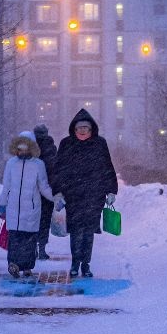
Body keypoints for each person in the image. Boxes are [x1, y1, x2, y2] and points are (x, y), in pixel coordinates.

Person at [52, 109, 118, 278]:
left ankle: (85, 264)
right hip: (73, 195)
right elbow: (58, 169)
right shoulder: (67, 144)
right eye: (79, 127)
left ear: (91, 129)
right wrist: (58, 191)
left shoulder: (99, 143)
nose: (82, 130)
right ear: (74, 129)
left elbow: (107, 168)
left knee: (88, 232)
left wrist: (111, 190)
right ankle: (75, 263)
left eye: (85, 127)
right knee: (75, 231)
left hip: (94, 196)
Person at [0, 131, 64, 278]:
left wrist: (56, 197)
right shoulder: (11, 164)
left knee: (29, 240)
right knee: (14, 239)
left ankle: (27, 267)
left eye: (25, 148)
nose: (22, 151)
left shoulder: (38, 165)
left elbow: (43, 186)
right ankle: (13, 264)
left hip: (32, 209)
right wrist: (2, 203)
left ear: (32, 148)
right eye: (20, 148)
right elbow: (6, 186)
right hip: (13, 209)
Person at [33, 124, 58, 260]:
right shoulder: (51, 147)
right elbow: (55, 169)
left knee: (32, 221)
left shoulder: (30, 148)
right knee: (44, 220)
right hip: (48, 190)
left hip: (31, 190)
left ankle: (32, 248)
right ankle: (42, 248)